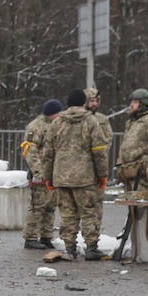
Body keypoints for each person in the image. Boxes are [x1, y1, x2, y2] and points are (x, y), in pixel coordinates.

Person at [41, 88, 109, 260]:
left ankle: (70, 248)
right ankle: (91, 248)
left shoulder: (57, 123)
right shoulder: (91, 121)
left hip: (61, 177)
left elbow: (48, 152)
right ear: (84, 102)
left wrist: (48, 177)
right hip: (85, 177)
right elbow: (99, 150)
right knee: (88, 212)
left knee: (67, 214)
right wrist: (102, 174)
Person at [20, 99, 63, 249]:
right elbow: (29, 150)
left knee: (50, 206)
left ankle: (46, 236)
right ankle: (31, 237)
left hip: (54, 173)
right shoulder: (36, 126)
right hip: (40, 173)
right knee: (37, 206)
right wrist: (38, 170)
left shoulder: (56, 125)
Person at [115, 89, 148, 193]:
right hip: (129, 172)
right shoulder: (132, 121)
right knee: (132, 207)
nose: (131, 105)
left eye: (135, 102)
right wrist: (119, 165)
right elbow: (125, 145)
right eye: (131, 102)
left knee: (142, 206)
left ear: (144, 103)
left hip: (141, 174)